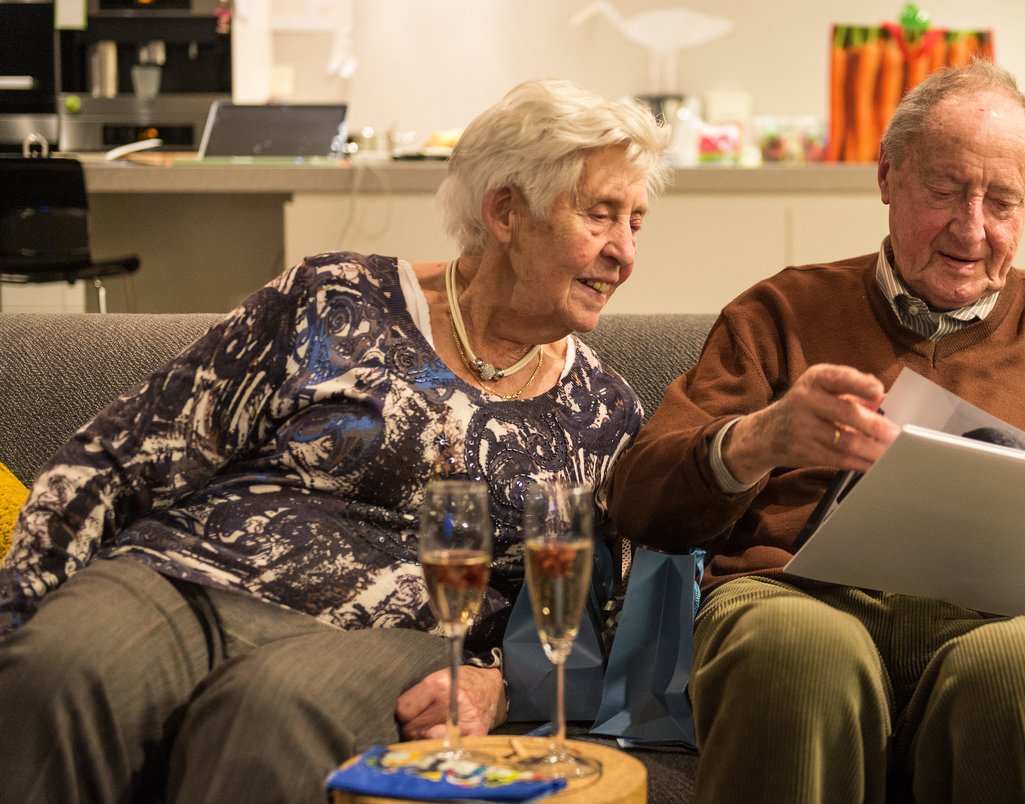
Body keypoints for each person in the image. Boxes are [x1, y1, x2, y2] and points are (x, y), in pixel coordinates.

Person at [607, 60, 1025, 803]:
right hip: (797, 602)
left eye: (1002, 202)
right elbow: (643, 505)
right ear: (888, 177)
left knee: (1022, 669)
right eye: (947, 190)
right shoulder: (781, 313)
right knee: (794, 651)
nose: (972, 228)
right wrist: (757, 440)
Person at [0, 78, 670, 802]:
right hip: (183, 573)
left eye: (636, 223)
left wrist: (497, 686)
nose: (624, 254)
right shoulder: (336, 299)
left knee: (268, 721)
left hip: (381, 634)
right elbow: (119, 454)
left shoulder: (601, 412)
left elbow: (599, 616)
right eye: (601, 216)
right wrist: (19, 604)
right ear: (505, 210)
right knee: (60, 668)